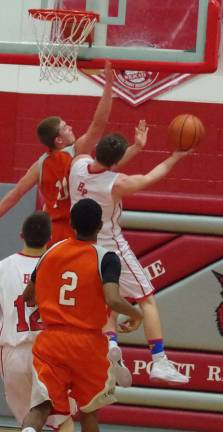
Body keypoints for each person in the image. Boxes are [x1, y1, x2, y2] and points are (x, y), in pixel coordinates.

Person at [69, 122, 191, 384]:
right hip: (111, 248)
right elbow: (151, 176)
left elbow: (105, 166)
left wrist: (135, 147)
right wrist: (175, 156)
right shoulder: (117, 185)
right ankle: (158, 360)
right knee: (146, 298)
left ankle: (111, 344)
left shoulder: (78, 164)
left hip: (82, 248)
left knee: (107, 303)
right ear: (116, 162)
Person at [22, 198, 143, 432]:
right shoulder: (106, 258)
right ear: (99, 226)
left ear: (71, 223)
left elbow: (28, 296)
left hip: (52, 341)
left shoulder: (50, 252)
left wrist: (51, 299)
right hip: (87, 345)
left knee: (40, 408)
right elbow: (113, 299)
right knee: (89, 414)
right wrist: (137, 314)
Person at [0, 61, 114, 246]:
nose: (70, 127)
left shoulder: (40, 165)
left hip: (53, 232)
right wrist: (109, 87)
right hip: (78, 229)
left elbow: (15, 194)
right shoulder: (76, 151)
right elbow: (98, 125)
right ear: (58, 140)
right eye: (65, 128)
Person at [0, 210, 74, 431]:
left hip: (13, 354)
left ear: (21, 234)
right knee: (61, 419)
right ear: (50, 238)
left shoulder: (3, 268)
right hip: (48, 354)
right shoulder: (60, 269)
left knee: (28, 423)